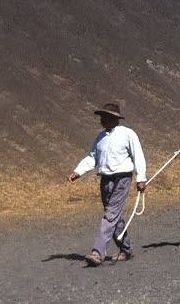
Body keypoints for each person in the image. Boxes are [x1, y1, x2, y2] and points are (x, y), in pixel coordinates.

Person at [68, 102, 147, 267]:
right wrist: (78, 172)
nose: (101, 120)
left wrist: (141, 178)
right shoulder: (100, 138)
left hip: (122, 178)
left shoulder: (128, 134)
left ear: (114, 118)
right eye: (101, 117)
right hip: (105, 180)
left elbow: (138, 155)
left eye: (105, 117)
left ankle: (98, 253)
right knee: (114, 217)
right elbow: (92, 158)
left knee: (110, 215)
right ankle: (126, 249)